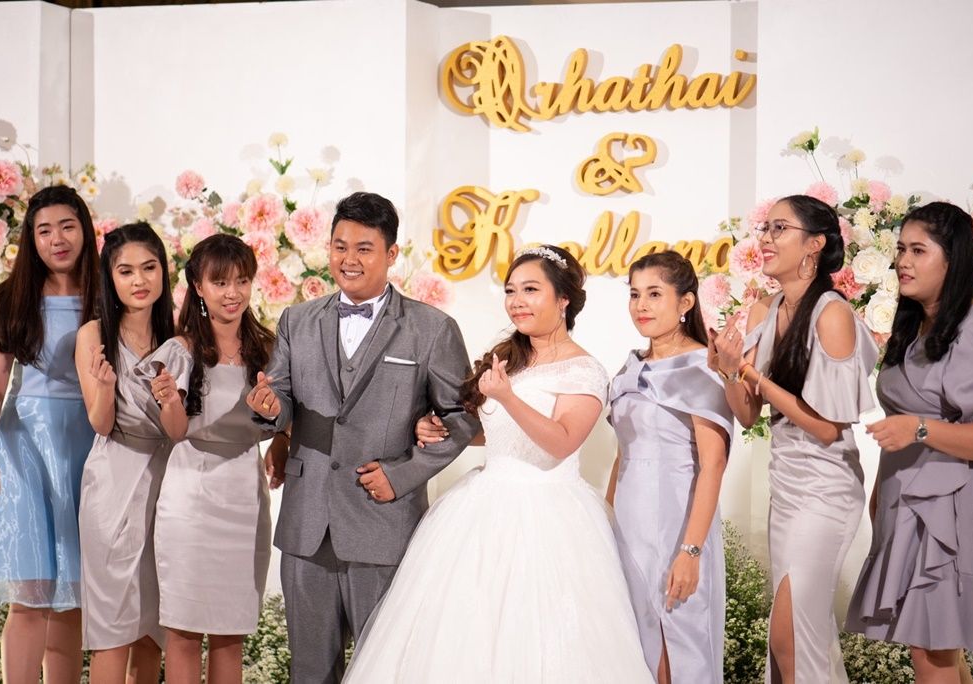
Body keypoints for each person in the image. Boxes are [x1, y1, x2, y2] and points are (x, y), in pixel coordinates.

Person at [347, 245, 653, 682]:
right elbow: (498, 433)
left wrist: (507, 396)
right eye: (511, 291)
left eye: (531, 290)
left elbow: (561, 442)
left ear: (563, 299)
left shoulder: (585, 369)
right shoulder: (510, 357)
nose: (517, 301)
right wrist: (440, 428)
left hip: (550, 514)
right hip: (481, 506)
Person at [246, 191, 480, 683]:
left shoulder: (431, 329)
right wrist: (270, 409)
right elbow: (281, 394)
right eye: (339, 246)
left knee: (384, 670)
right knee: (309, 672)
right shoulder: (296, 321)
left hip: (383, 521)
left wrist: (403, 475)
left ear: (391, 254)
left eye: (363, 248)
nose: (348, 259)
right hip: (307, 523)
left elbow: (461, 420)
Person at [710, 195, 878, 683]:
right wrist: (728, 372)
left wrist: (751, 375)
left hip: (826, 489)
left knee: (791, 636)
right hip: (785, 486)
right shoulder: (764, 310)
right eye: (765, 228)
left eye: (779, 228)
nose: (765, 239)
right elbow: (748, 415)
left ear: (814, 244)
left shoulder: (832, 312)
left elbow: (827, 427)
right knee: (794, 637)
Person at [846, 202, 973, 683]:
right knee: (939, 651)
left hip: (950, 513)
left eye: (918, 250)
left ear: (952, 260)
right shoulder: (914, 323)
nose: (903, 262)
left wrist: (919, 429)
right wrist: (881, 489)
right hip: (908, 500)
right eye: (900, 250)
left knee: (931, 652)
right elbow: (903, 421)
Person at [0, 186, 99, 683]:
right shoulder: (12, 300)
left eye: (67, 226)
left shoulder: (106, 297)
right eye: (44, 230)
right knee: (32, 593)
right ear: (32, 239)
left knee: (73, 596)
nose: (57, 239)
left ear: (84, 230)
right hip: (25, 444)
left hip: (90, 442)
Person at [153, 234, 278, 683]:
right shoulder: (181, 349)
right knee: (183, 631)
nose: (232, 293)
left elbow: (285, 417)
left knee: (231, 632)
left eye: (242, 281)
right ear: (198, 286)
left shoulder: (269, 348)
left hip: (244, 495)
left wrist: (280, 437)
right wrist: (169, 400)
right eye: (220, 282)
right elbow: (175, 432)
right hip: (190, 496)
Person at [607, 251, 732, 683]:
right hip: (629, 524)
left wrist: (691, 552)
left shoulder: (702, 368)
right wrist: (604, 523)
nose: (641, 305)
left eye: (654, 294)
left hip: (678, 523)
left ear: (686, 302)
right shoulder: (630, 368)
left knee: (682, 643)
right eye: (635, 294)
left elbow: (714, 465)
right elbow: (622, 454)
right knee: (634, 645)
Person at [76, 223, 185, 684]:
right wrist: (105, 387)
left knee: (154, 627)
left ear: (164, 271)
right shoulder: (94, 334)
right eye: (126, 271)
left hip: (171, 484)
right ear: (110, 277)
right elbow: (100, 424)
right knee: (112, 626)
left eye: (149, 267)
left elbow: (184, 425)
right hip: (113, 482)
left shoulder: (179, 334)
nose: (139, 280)